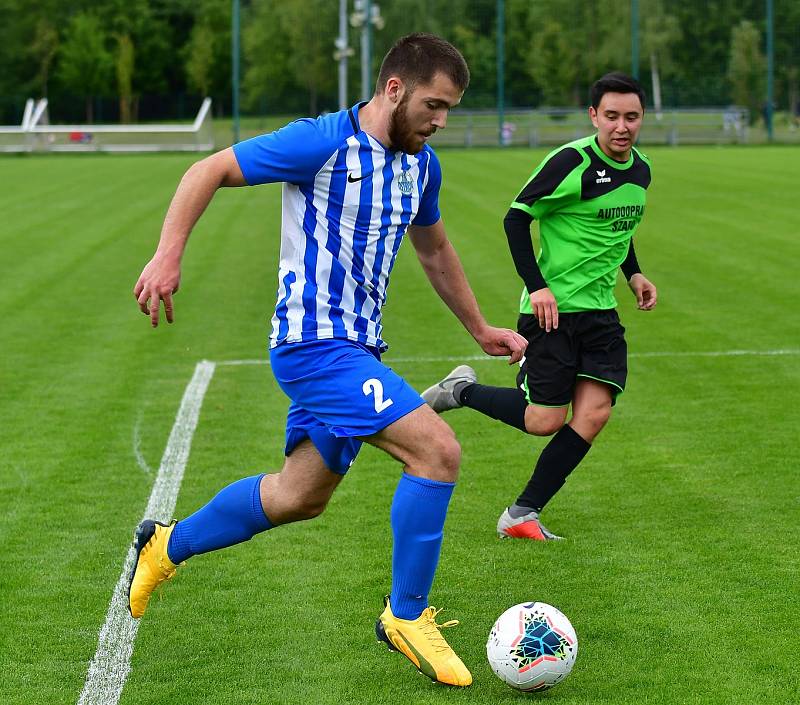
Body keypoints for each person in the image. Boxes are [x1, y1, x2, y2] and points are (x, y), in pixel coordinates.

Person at [128, 33, 526, 688]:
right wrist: (168, 254)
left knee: (297, 496)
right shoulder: (321, 143)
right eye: (434, 104)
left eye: (450, 108)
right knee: (437, 450)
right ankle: (405, 616)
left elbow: (434, 251)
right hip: (312, 346)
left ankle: (164, 546)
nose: (442, 120)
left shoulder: (421, 166)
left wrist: (479, 325)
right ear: (393, 88)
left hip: (357, 348)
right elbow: (207, 170)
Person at [422, 72, 657, 541]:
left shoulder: (642, 170)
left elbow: (618, 231)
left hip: (601, 316)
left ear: (641, 118)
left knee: (594, 414)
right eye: (611, 116)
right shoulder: (571, 161)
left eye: (631, 117)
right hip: (551, 312)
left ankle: (521, 514)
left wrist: (633, 273)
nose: (621, 126)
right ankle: (461, 390)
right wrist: (539, 286)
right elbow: (516, 219)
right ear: (594, 116)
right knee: (542, 421)